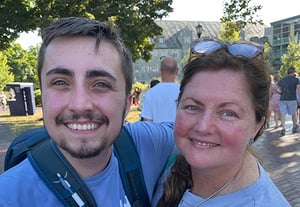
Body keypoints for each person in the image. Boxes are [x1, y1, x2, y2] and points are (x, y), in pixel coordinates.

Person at [0, 17, 175, 207]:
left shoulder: (145, 145)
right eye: (60, 82)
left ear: (126, 103)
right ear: (43, 96)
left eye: (101, 84)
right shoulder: (10, 196)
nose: (80, 104)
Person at [156, 40, 290, 206]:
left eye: (228, 113)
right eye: (192, 107)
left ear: (257, 126)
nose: (203, 126)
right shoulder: (166, 162)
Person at [141, 56, 180, 122]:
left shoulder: (151, 93)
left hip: (157, 132)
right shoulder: (184, 91)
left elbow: (147, 123)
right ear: (177, 70)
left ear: (161, 70)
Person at [277, 67, 300, 136]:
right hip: (292, 99)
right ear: (293, 73)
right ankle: (294, 127)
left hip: (283, 99)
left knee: (283, 114)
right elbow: (298, 89)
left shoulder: (282, 80)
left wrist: (280, 92)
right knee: (294, 113)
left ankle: (283, 128)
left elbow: (277, 88)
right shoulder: (296, 80)